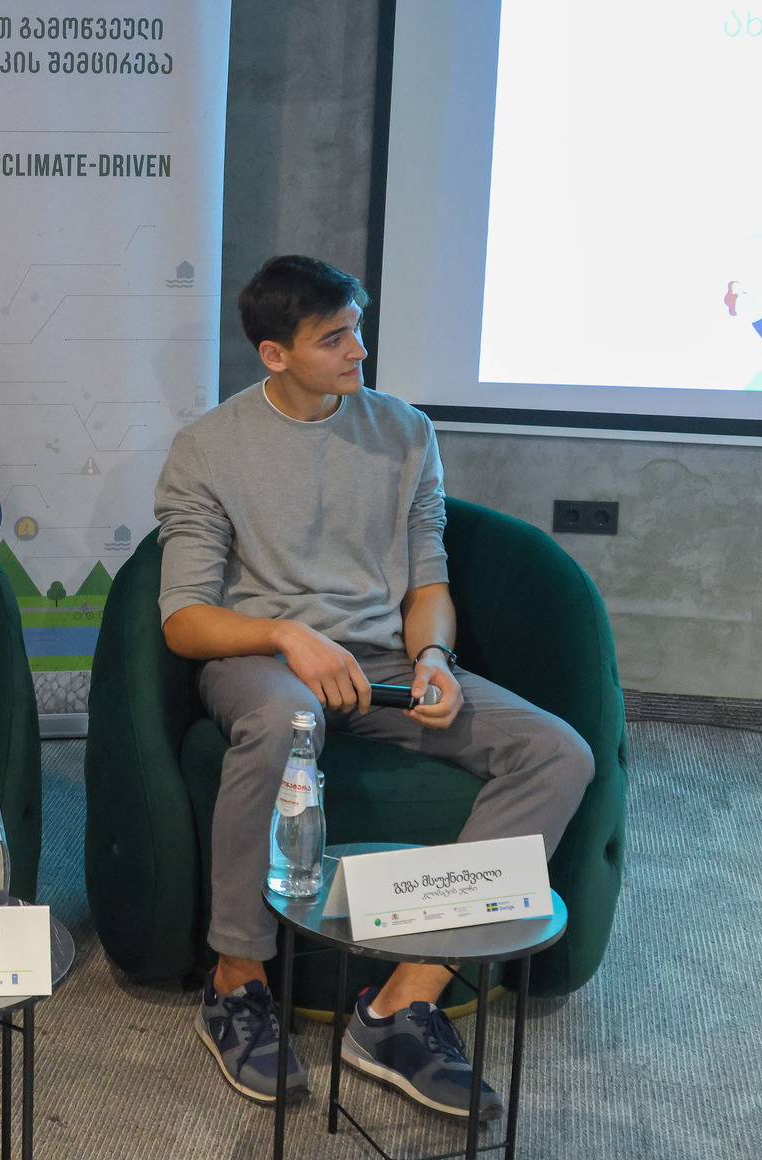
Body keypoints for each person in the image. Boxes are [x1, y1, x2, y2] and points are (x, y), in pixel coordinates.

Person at [154, 255, 594, 1119]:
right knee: (287, 719)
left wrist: (434, 658)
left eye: (357, 329)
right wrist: (289, 635)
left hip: (386, 665)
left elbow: (429, 580)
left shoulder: (405, 431)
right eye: (334, 338)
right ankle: (237, 981)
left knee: (558, 753)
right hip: (263, 660)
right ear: (275, 354)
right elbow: (185, 621)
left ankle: (400, 1006)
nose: (359, 350)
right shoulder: (207, 448)